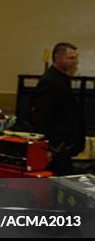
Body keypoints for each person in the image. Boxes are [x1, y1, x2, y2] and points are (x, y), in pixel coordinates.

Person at [32, 42, 85, 175]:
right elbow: (42, 115)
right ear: (58, 58)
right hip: (55, 147)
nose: (75, 62)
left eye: (75, 58)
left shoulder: (63, 78)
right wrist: (46, 148)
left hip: (64, 146)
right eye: (71, 58)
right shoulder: (50, 80)